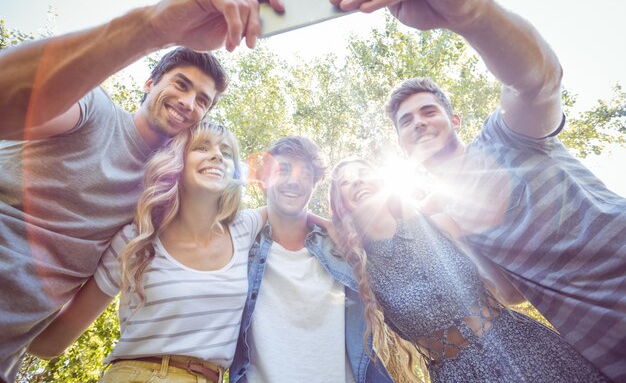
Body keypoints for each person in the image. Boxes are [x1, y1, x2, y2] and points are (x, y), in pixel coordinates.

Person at [331, 0, 626, 381]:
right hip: (603, 348)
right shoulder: (451, 219)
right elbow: (506, 289)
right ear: (401, 147)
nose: (418, 122)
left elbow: (539, 82)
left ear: (455, 118)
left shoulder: (509, 138)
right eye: (405, 121)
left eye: (428, 111)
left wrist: (468, 9)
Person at [0, 0, 284, 381]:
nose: (189, 103)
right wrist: (154, 27)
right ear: (150, 83)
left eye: (203, 100)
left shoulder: (160, 200)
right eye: (181, 85)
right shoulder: (92, 112)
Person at [327, 157, 610, 382]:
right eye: (345, 183)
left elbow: (512, 282)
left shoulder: (438, 223)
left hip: (520, 346)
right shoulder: (358, 272)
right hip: (456, 375)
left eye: (363, 172)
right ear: (340, 205)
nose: (358, 182)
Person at [28, 121, 264, 383]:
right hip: (138, 376)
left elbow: (293, 212)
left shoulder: (244, 228)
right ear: (178, 162)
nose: (217, 155)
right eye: (201, 147)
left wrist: (320, 223)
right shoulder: (136, 239)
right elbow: (49, 344)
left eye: (226, 152)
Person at [230, 136, 393, 383]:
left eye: (305, 174)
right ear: (264, 178)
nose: (293, 181)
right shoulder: (240, 247)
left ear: (315, 185)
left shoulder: (339, 248)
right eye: (282, 170)